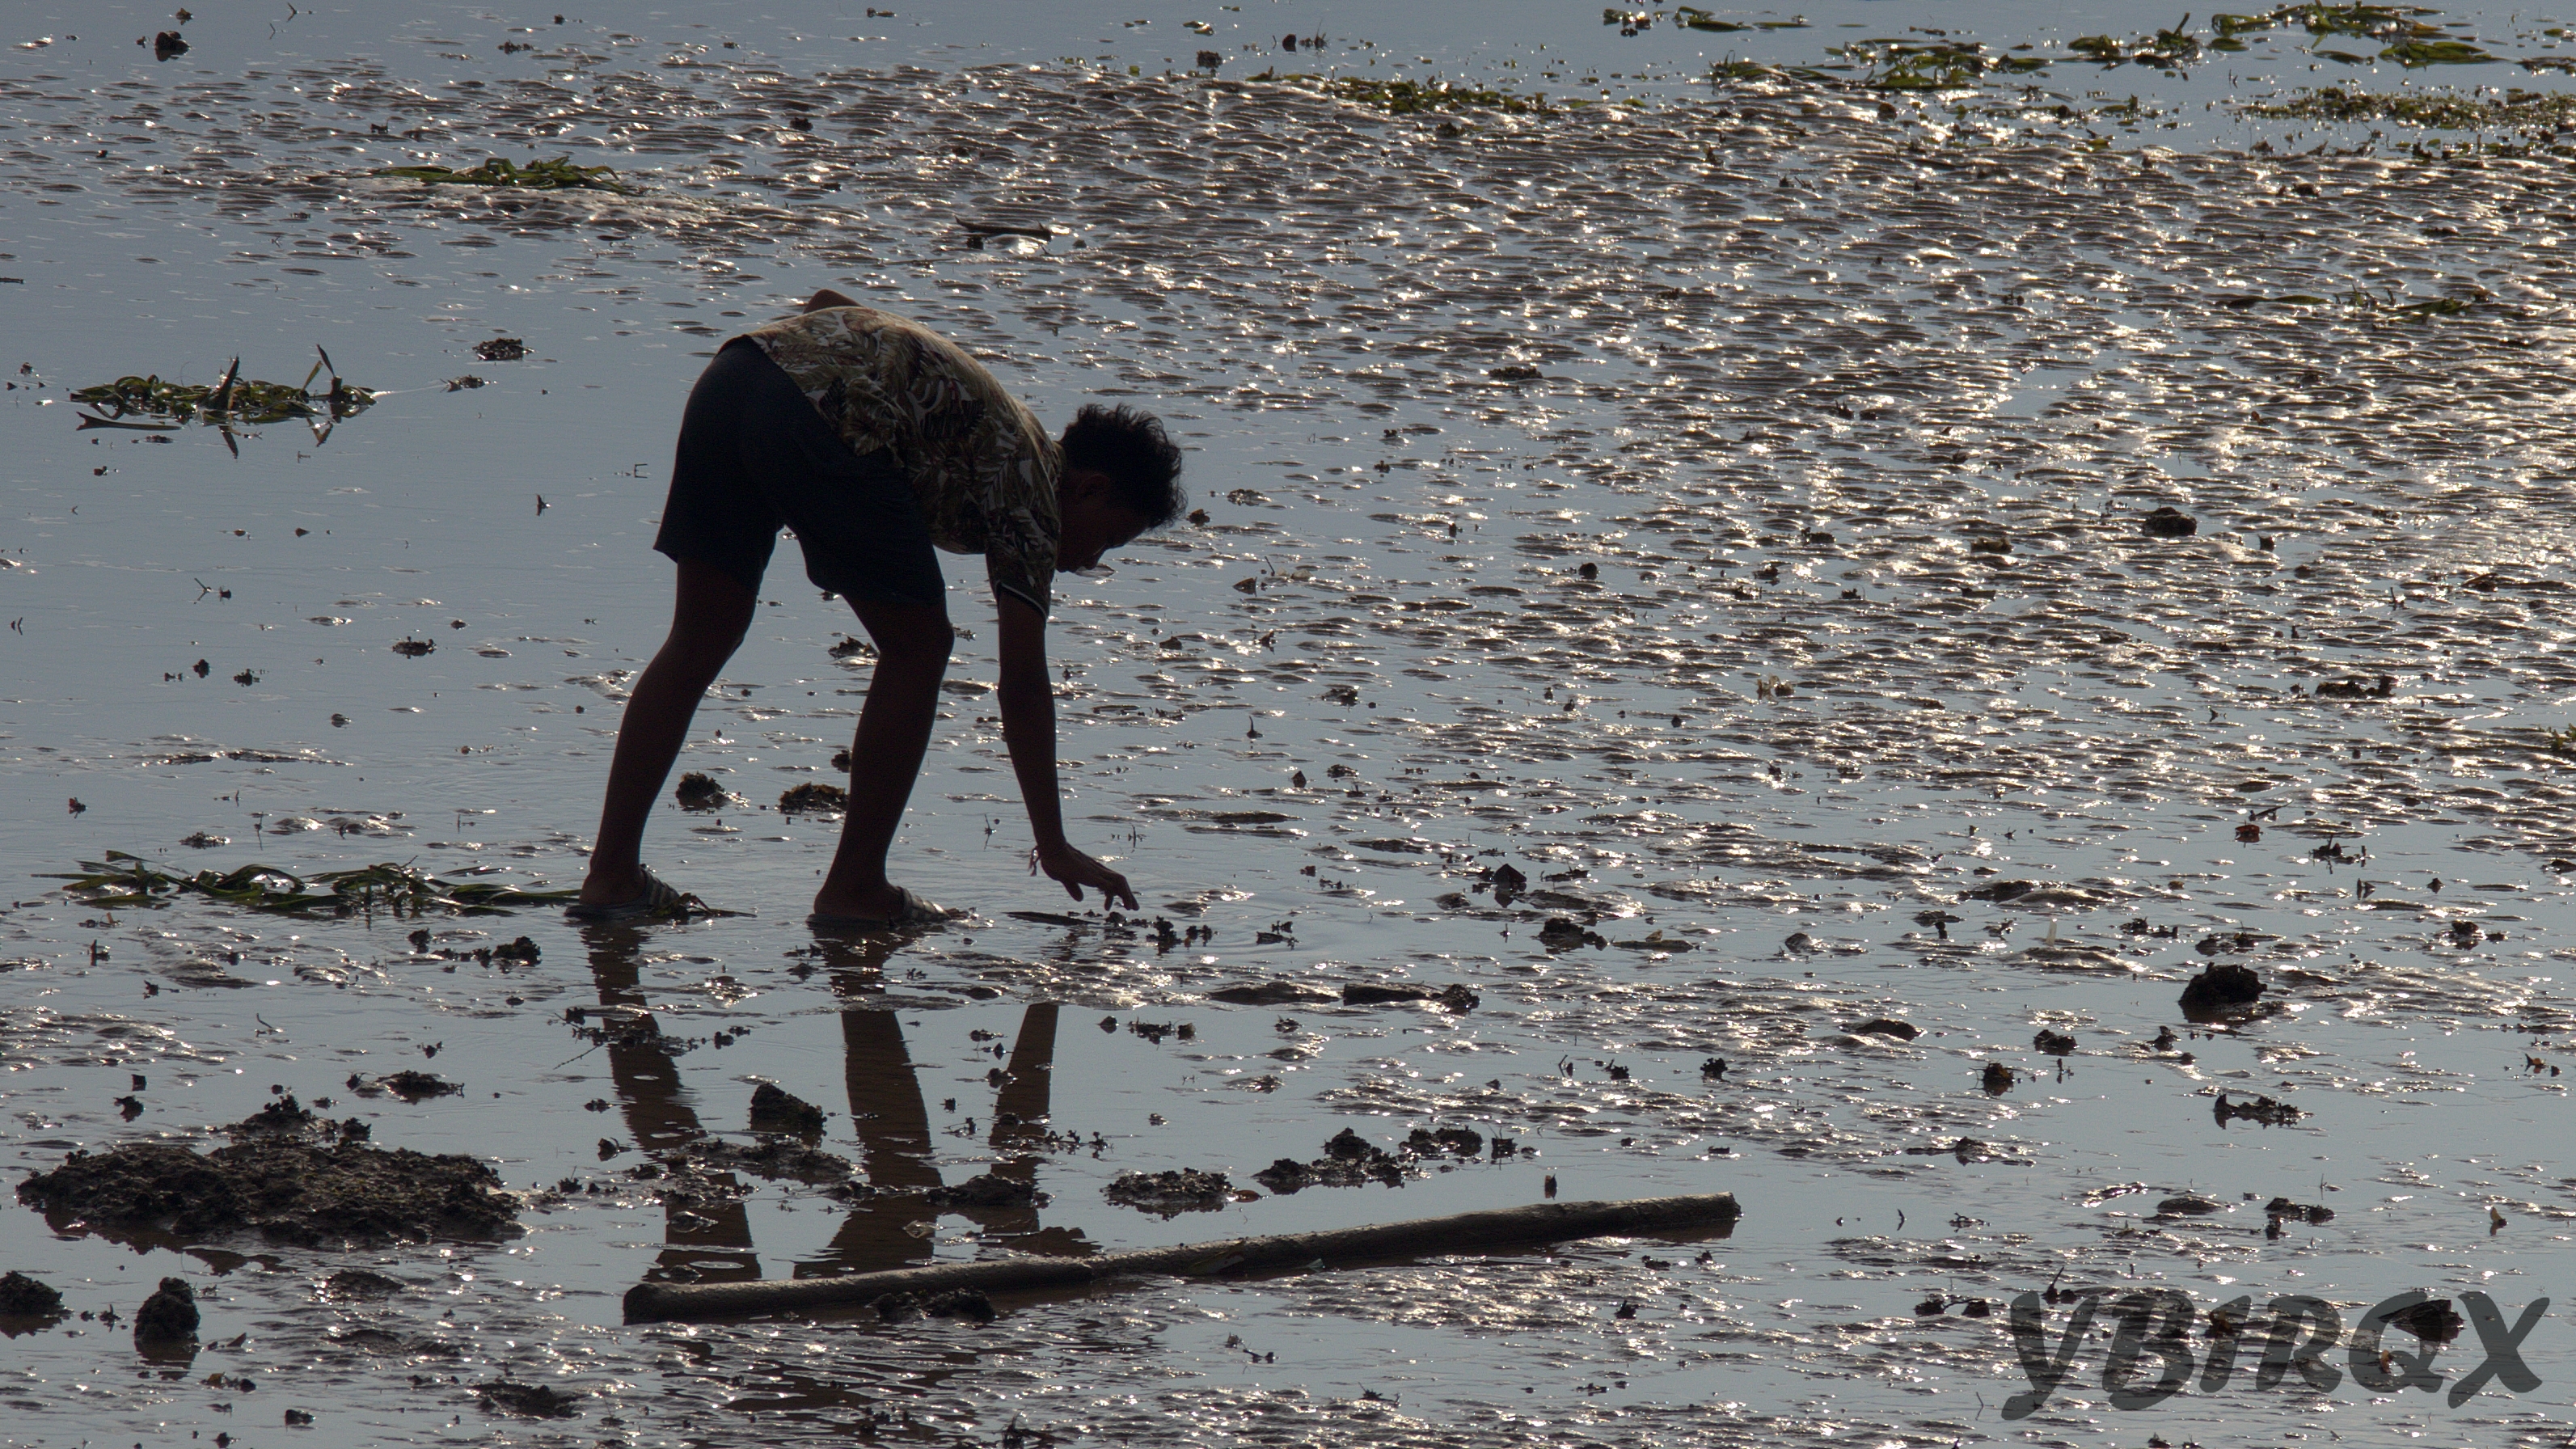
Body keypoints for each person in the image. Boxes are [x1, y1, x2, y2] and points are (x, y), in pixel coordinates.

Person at [571, 289, 1180, 926]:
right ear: (1090, 489)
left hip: (734, 378)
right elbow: (1023, 686)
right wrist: (1052, 845)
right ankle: (855, 888)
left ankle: (611, 876)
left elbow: (828, 302)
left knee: (702, 634)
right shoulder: (1033, 489)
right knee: (920, 647)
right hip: (814, 415)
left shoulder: (1001, 429)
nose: (1091, 561)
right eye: (1109, 539)